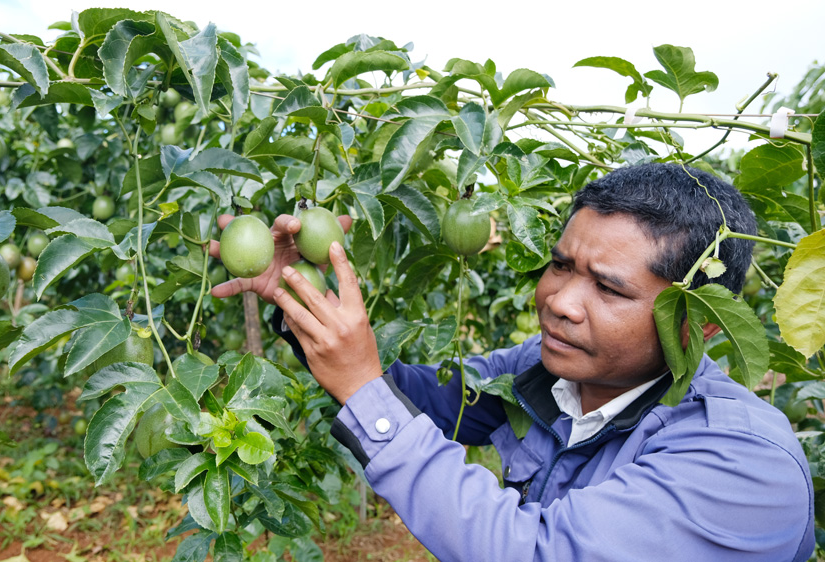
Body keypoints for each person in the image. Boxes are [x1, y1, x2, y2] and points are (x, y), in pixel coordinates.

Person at [210, 163, 815, 561]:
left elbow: (537, 552)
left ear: (699, 320)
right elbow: (425, 402)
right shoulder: (543, 371)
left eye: (609, 289)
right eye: (560, 266)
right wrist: (298, 295)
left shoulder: (744, 462)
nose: (559, 303)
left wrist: (363, 386)